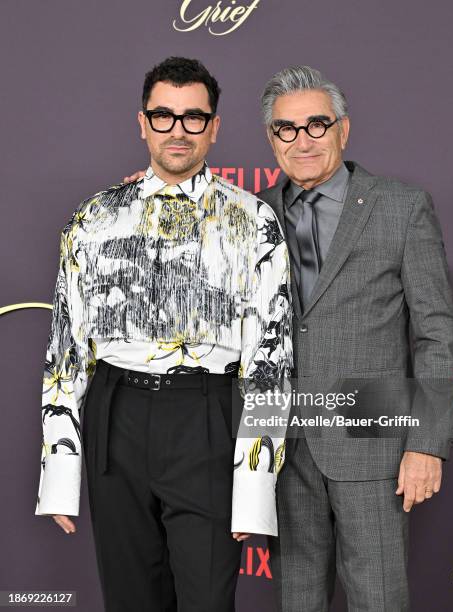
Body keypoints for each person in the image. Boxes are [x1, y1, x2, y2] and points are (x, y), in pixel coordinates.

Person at [35, 56, 292, 612]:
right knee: (130, 599)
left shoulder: (253, 221)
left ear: (215, 127)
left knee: (206, 600)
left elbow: (270, 361)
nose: (178, 130)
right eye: (164, 115)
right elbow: (66, 351)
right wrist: (59, 472)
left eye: (194, 117)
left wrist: (253, 490)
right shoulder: (94, 218)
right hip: (116, 414)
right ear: (142, 122)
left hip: (206, 418)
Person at [257, 66, 453, 612]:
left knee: (380, 600)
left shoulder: (400, 206)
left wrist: (425, 442)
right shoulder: (250, 215)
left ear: (343, 130)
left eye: (316, 125)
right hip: (279, 448)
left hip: (373, 444)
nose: (302, 140)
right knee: (298, 601)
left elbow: (435, 333)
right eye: (286, 129)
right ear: (271, 139)